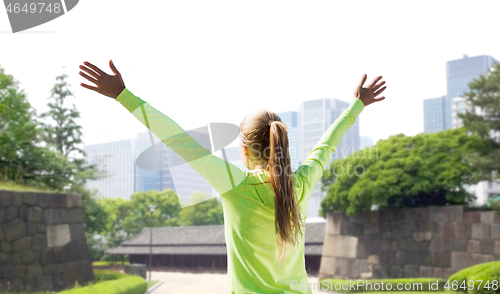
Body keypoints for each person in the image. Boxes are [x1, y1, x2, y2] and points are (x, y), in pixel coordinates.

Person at [79, 60, 386, 293]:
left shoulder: (234, 183)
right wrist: (358, 104)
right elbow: (327, 144)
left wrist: (123, 95)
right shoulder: (302, 184)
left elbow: (178, 140)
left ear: (243, 146)